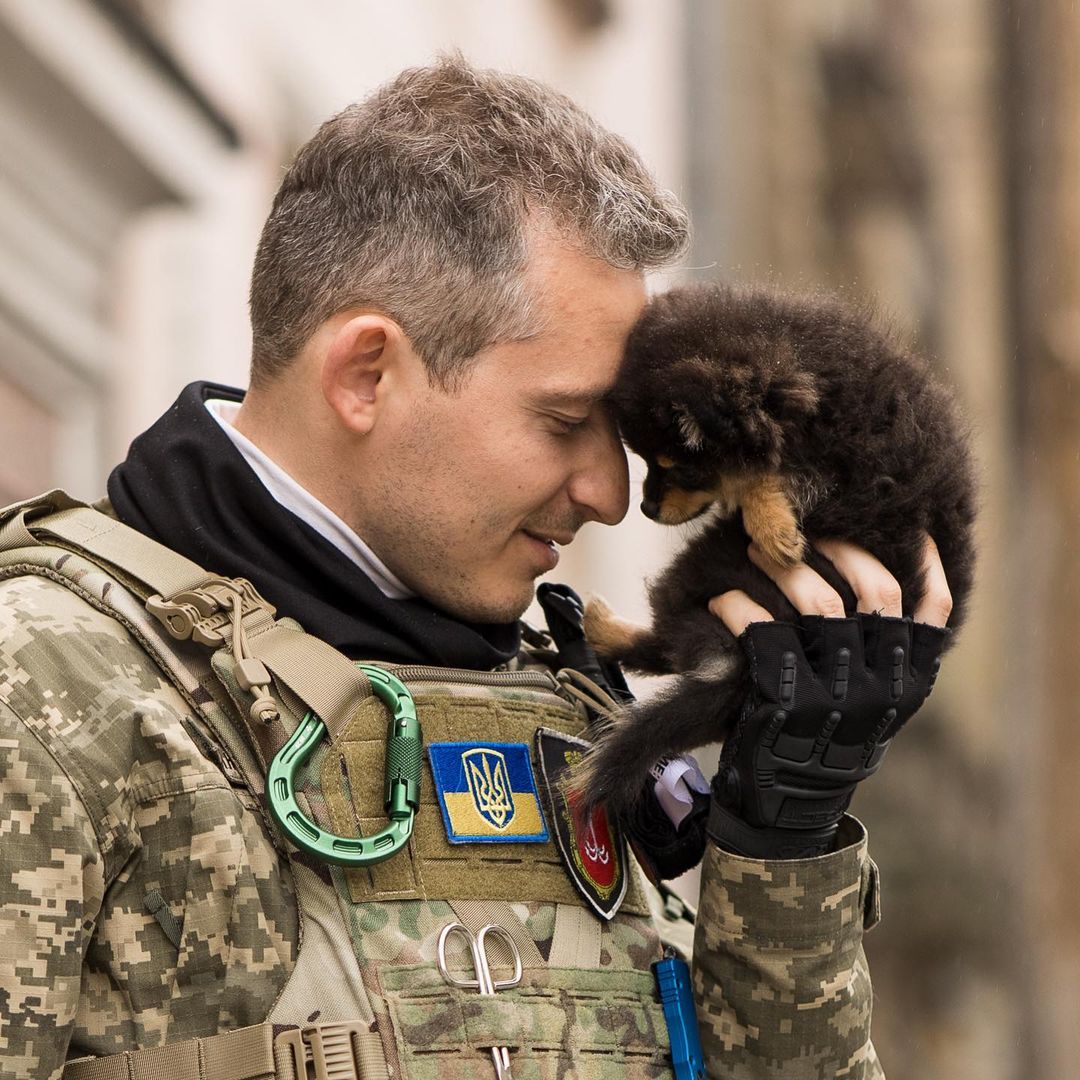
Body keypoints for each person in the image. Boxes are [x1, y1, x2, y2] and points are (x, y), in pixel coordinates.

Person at [0, 56, 952, 1079]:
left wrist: (780, 846)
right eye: (566, 421)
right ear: (366, 374)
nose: (610, 491)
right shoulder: (47, 693)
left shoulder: (569, 703)